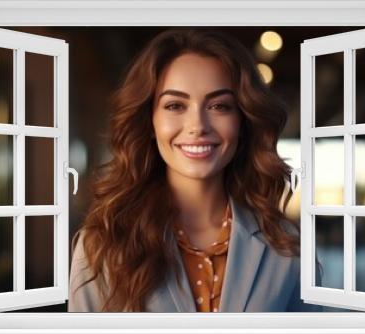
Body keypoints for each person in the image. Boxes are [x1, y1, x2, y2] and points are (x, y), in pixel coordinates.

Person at [68, 28, 322, 312]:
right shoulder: (101, 244)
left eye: (219, 106)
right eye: (175, 105)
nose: (198, 125)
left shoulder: (287, 247)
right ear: (149, 121)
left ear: (243, 120)